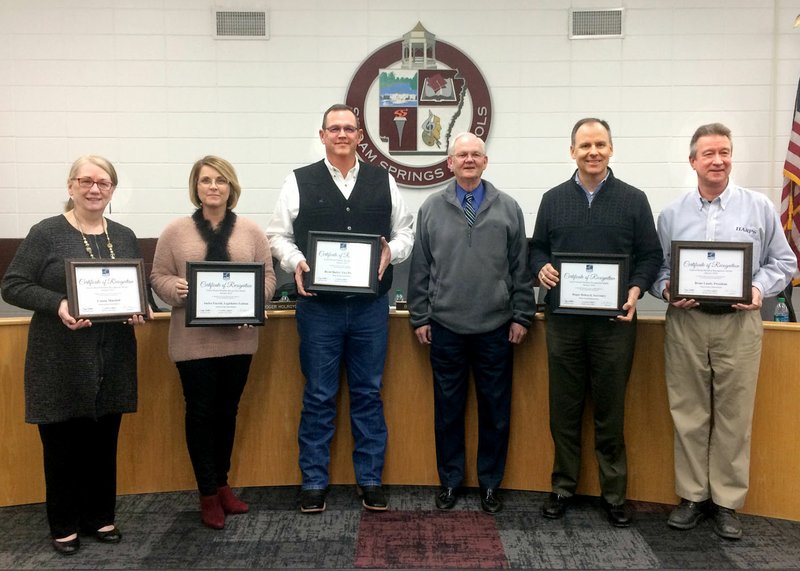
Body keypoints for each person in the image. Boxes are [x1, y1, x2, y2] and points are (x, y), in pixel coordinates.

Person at [649, 123, 795, 540]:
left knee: (734, 415)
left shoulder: (759, 208)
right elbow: (661, 268)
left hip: (739, 324)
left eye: (725, 152)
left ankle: (727, 502)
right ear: (692, 160)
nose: (718, 160)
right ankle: (693, 496)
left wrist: (756, 288)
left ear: (732, 157)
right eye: (709, 153)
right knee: (689, 413)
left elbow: (784, 263)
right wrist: (666, 289)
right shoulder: (672, 214)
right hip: (687, 324)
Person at [266, 104, 414, 513]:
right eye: (335, 128)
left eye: (350, 128)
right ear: (323, 135)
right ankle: (313, 481)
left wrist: (391, 253)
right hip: (319, 310)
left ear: (360, 136)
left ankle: (370, 479)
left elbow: (405, 233)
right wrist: (296, 261)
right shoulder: (298, 181)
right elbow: (277, 236)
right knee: (317, 395)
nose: (343, 134)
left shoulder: (384, 180)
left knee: (368, 393)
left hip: (370, 309)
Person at [1, 156, 147, 555]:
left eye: (103, 182)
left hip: (112, 358)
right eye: (85, 180)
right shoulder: (46, 233)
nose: (94, 188)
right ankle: (63, 523)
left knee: (103, 444)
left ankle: (99, 517)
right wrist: (59, 302)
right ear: (70, 186)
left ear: (113, 189)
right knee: (63, 447)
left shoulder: (124, 235)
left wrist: (140, 309)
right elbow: (12, 285)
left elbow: (139, 291)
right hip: (59, 359)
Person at [529, 118, 662, 527]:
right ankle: (563, 486)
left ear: (611, 149)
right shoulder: (553, 200)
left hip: (614, 324)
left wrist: (637, 291)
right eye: (585, 145)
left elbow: (650, 256)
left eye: (600, 144)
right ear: (572, 151)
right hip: (564, 324)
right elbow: (537, 250)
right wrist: (542, 269)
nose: (593, 151)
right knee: (563, 409)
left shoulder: (634, 200)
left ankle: (614, 493)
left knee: (610, 410)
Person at [407, 132, 535, 514]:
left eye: (475, 154)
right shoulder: (431, 207)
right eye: (461, 154)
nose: (468, 160)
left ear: (485, 162)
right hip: (445, 326)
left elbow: (520, 268)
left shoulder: (508, 207)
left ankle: (490, 484)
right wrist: (419, 316)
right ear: (449, 163)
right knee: (448, 411)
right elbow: (421, 269)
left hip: (496, 327)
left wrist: (522, 315)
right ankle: (450, 481)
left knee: (495, 411)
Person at [150, 156, 276, 530]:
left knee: (227, 413)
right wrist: (177, 289)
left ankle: (222, 485)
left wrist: (255, 302)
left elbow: (268, 278)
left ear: (231, 187)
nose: (213, 187)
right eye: (205, 180)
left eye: (220, 180)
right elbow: (158, 276)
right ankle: (207, 494)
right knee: (201, 414)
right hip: (193, 345)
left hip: (239, 341)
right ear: (196, 187)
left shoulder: (252, 232)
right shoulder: (174, 231)